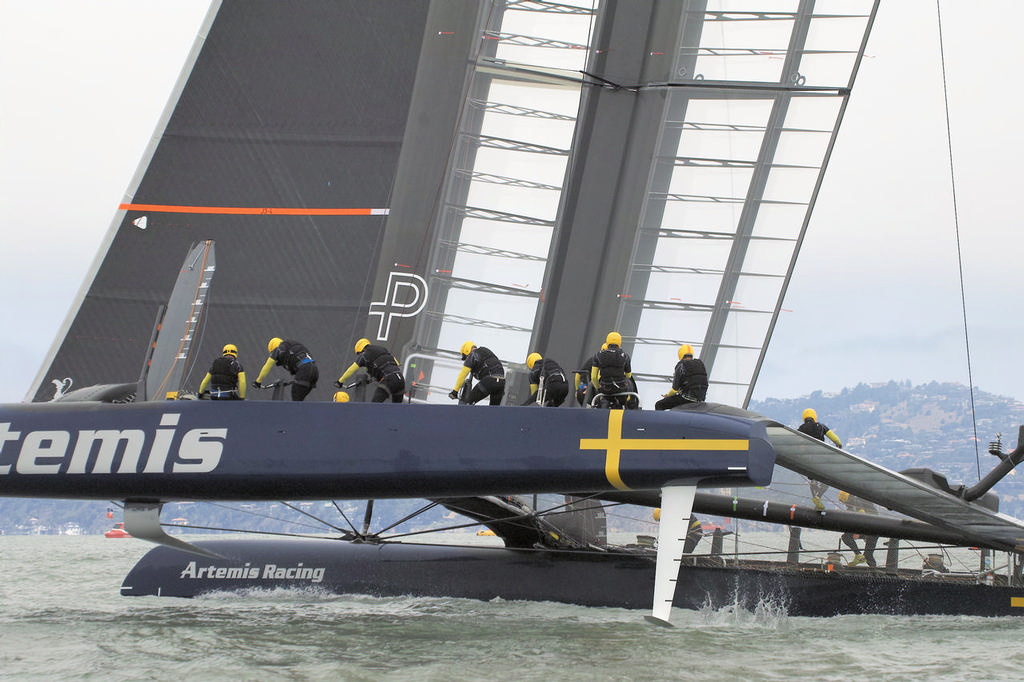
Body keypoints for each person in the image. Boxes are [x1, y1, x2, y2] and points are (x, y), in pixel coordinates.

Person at [334, 338, 406, 403]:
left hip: (389, 379)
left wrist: (340, 381)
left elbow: (351, 369)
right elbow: (396, 363)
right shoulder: (382, 349)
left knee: (374, 405)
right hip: (400, 379)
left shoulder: (364, 355)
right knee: (397, 408)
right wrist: (372, 379)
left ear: (361, 350)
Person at [798, 408, 842, 511]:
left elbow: (796, 441)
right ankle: (818, 496)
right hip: (820, 457)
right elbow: (834, 438)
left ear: (804, 418)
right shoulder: (821, 426)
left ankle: (815, 497)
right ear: (814, 417)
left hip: (808, 459)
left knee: (813, 479)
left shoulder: (801, 428)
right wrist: (839, 444)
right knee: (826, 479)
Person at [252, 337, 319, 401]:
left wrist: (258, 381)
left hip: (304, 370)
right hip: (314, 370)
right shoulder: (292, 345)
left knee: (296, 399)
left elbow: (267, 366)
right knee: (299, 400)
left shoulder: (279, 348)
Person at [590, 331, 636, 409]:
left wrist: (598, 388)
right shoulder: (625, 356)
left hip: (605, 388)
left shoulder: (598, 355)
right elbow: (628, 375)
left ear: (607, 341)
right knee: (630, 382)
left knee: (604, 398)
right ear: (620, 342)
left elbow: (593, 377)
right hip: (621, 388)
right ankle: (627, 404)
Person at [654, 344, 708, 410]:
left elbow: (674, 390)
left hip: (686, 399)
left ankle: (661, 420)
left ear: (680, 354)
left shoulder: (681, 365)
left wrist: (667, 396)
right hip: (700, 400)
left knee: (659, 404)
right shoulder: (700, 364)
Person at [449, 341, 505, 405]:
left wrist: (455, 391)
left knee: (467, 404)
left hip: (490, 380)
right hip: (501, 382)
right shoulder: (485, 352)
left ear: (467, 351)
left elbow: (462, 375)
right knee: (493, 410)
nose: (466, 359)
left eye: (465, 357)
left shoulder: (473, 354)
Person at [838, 490, 878, 567]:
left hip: (870, 530)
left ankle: (858, 555)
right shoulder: (856, 502)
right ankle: (874, 573)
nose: (844, 504)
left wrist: (858, 531)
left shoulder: (856, 503)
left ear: (846, 499)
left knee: (846, 537)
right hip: (873, 530)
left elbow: (862, 515)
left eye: (843, 502)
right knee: (868, 555)